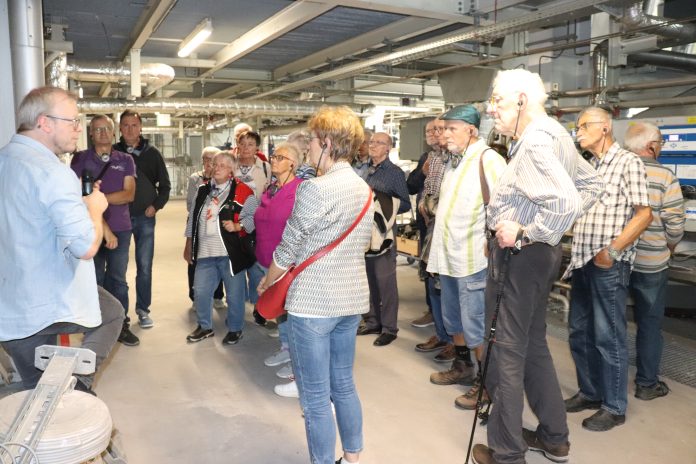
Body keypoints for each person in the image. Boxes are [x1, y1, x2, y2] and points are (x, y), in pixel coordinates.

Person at [471, 70, 603, 464]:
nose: (491, 109)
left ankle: (507, 453)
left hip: (520, 256)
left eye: (497, 100)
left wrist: (527, 231)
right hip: (540, 257)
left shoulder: (533, 143)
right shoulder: (556, 134)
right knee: (532, 345)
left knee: (506, 351)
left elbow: (565, 202)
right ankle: (554, 437)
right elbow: (592, 185)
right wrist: (544, 232)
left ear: (522, 100)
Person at [257, 105, 373, 464]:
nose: (307, 147)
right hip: (351, 300)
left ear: (326, 143)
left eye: (311, 140)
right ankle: (352, 456)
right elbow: (365, 243)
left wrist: (267, 281)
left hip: (313, 304)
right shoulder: (364, 188)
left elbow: (288, 249)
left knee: (315, 397)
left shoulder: (315, 189)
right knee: (344, 384)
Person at [0, 87, 123, 392]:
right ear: (44, 122)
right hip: (44, 306)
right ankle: (77, 386)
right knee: (112, 315)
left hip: (11, 307)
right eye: (73, 121)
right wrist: (94, 209)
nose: (79, 129)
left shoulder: (5, 160)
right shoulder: (53, 172)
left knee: (38, 396)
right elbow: (86, 247)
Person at [563, 106, 652, 432]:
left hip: (608, 265)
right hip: (582, 261)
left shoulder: (628, 162)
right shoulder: (589, 165)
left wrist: (613, 251)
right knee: (579, 331)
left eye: (583, 126)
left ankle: (614, 407)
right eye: (577, 128)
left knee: (607, 336)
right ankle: (590, 392)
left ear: (604, 128)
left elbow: (644, 214)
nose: (578, 133)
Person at [427, 105, 507, 411]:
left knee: (476, 324)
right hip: (448, 256)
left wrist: (493, 240)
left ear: (471, 130)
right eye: (443, 128)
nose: (444, 134)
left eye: (451, 129)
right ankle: (463, 367)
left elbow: (503, 204)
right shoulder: (454, 161)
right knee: (453, 318)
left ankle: (487, 385)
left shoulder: (489, 160)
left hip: (473, 258)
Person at [624, 122, 685, 401]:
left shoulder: (619, 170)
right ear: (651, 146)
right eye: (660, 143)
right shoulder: (665, 176)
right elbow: (675, 224)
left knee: (612, 321)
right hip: (652, 263)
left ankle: (609, 383)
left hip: (619, 259)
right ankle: (646, 384)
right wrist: (669, 246)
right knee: (649, 323)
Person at [71, 115, 137, 346]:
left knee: (118, 279)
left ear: (113, 132)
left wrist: (96, 199)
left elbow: (129, 194)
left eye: (106, 129)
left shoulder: (126, 159)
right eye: (97, 129)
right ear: (90, 134)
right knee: (94, 279)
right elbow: (76, 194)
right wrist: (95, 204)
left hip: (122, 228)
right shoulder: (80, 158)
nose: (102, 133)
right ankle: (94, 324)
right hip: (90, 229)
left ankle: (121, 325)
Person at [184, 151, 259, 345]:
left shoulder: (244, 191)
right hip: (205, 252)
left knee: (235, 295)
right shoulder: (203, 189)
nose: (216, 168)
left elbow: (254, 219)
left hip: (231, 254)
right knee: (201, 292)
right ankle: (204, 327)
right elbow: (193, 218)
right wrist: (189, 243)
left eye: (222, 165)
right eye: (215, 164)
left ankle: (235, 329)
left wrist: (238, 226)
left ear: (231, 170)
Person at [254, 143, 305, 397]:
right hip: (266, 257)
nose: (273, 160)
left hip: (287, 263)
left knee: (291, 312)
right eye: (273, 156)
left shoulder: (300, 190)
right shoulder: (270, 187)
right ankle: (286, 348)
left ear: (292, 164)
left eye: (280, 157)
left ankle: (298, 360)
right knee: (278, 309)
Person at [113, 110, 171, 330]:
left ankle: (143, 310)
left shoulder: (152, 154)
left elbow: (165, 186)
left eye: (134, 125)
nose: (130, 129)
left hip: (144, 219)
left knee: (144, 266)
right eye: (126, 125)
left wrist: (155, 206)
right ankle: (119, 314)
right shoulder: (113, 153)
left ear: (140, 128)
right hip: (119, 219)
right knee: (118, 268)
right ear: (120, 128)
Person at [358, 131, 411, 346]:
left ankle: (389, 328)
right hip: (366, 233)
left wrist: (381, 199)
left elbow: (405, 203)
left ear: (388, 148)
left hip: (384, 235)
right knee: (368, 279)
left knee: (385, 281)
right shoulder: (367, 170)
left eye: (378, 143)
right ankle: (372, 321)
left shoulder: (394, 173)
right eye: (371, 142)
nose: (372, 145)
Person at [185, 146, 225, 311]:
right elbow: (190, 205)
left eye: (212, 159)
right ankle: (196, 297)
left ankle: (217, 295)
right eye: (206, 159)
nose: (209, 163)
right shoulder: (195, 178)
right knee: (195, 261)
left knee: (218, 259)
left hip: (217, 227)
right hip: (198, 225)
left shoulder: (223, 178)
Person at [407, 120, 436, 330]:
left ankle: (441, 317)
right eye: (428, 131)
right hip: (425, 223)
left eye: (436, 130)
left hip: (439, 224)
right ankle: (431, 310)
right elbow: (410, 186)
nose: (432, 134)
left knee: (438, 269)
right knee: (426, 267)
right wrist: (422, 172)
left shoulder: (450, 159)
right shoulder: (426, 158)